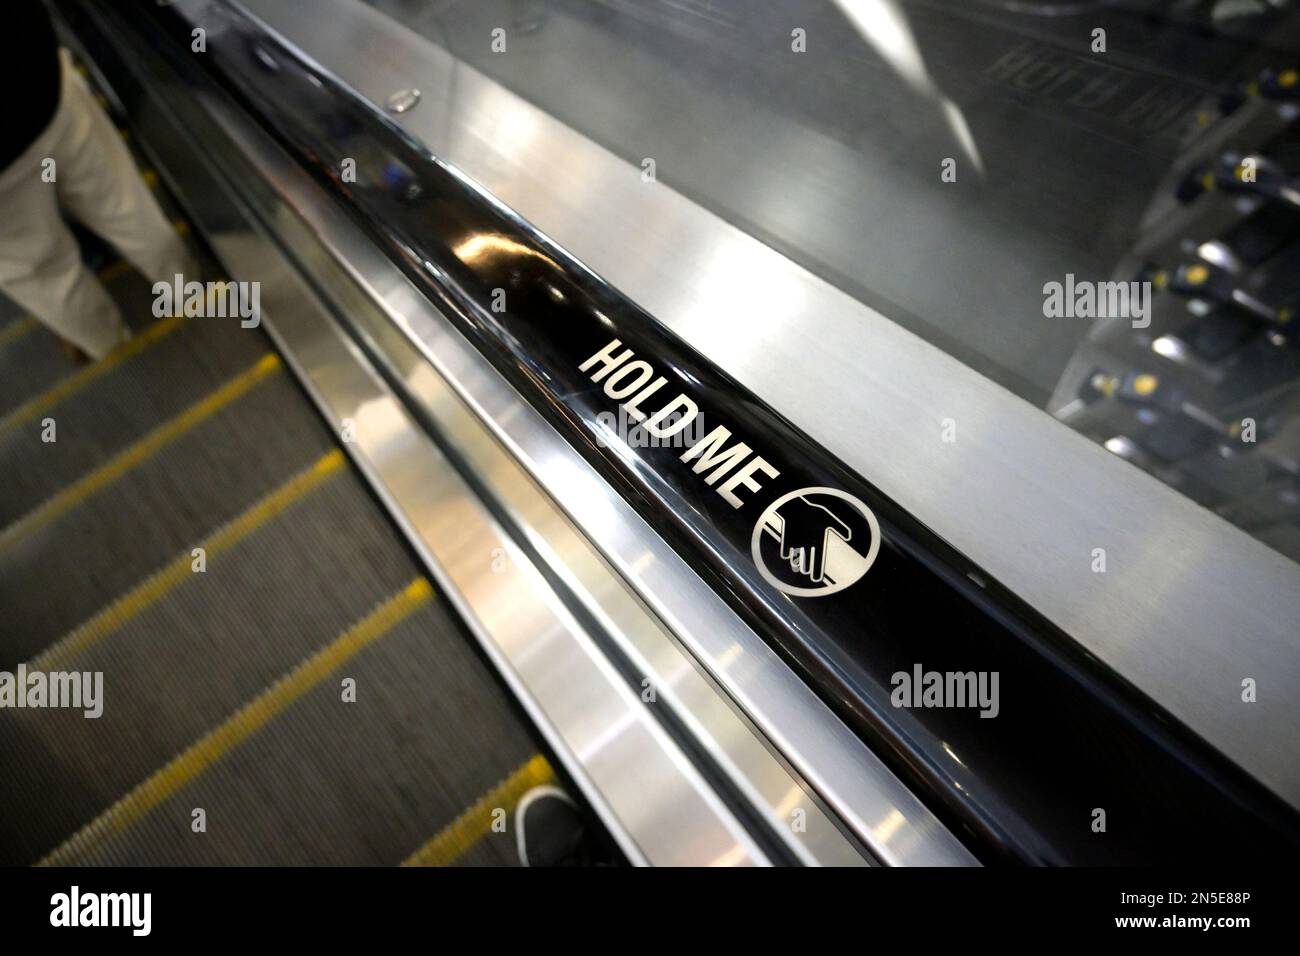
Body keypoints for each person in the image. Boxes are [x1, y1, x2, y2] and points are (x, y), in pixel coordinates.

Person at [0, 0, 196, 362]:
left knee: (42, 271)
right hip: (38, 87)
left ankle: (112, 345)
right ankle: (188, 292)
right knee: (122, 206)